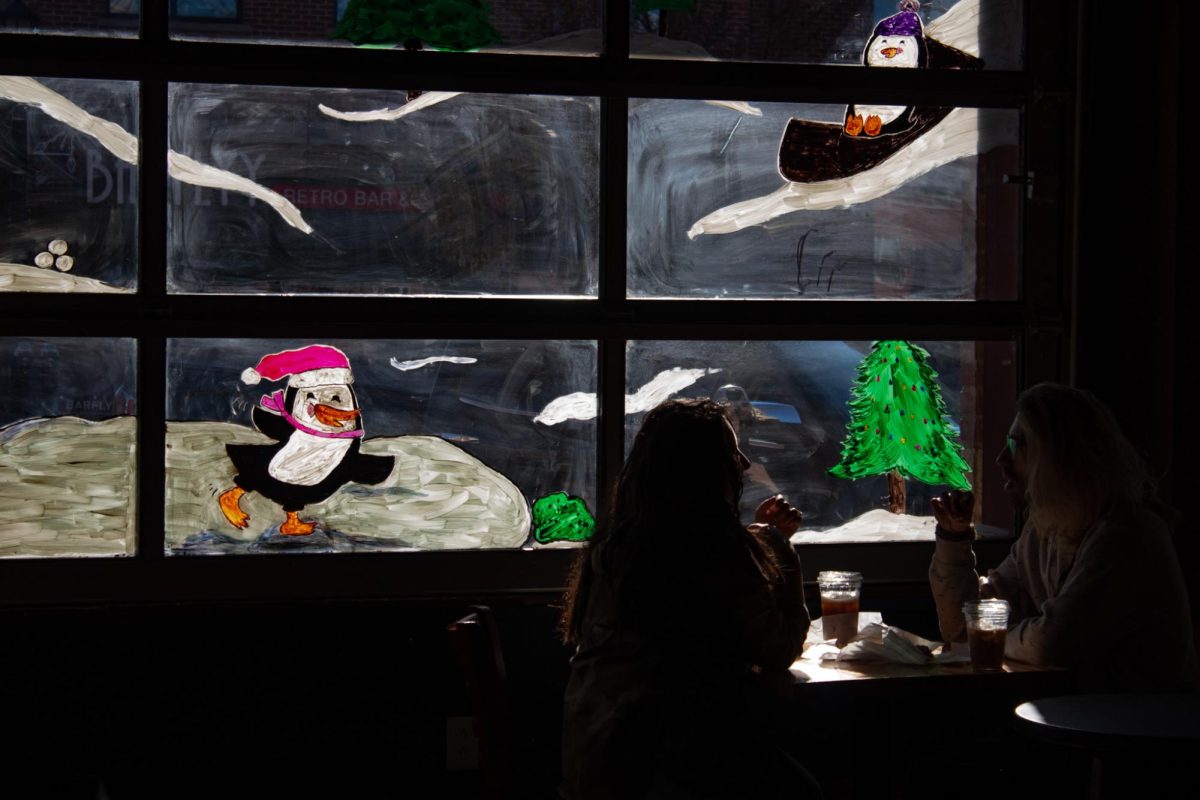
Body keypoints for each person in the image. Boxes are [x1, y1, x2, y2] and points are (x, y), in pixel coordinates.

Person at [559, 398, 819, 799]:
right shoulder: (715, 550)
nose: (746, 463)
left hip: (597, 761)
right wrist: (779, 546)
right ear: (703, 469)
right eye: (733, 452)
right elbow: (778, 648)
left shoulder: (617, 546)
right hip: (677, 769)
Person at [929, 383, 1198, 691]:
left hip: (1140, 723)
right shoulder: (1045, 529)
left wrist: (991, 636)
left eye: (1018, 446)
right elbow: (964, 628)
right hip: (1078, 712)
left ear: (1062, 456)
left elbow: (1053, 641)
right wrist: (953, 539)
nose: (1001, 459)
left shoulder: (1127, 535)